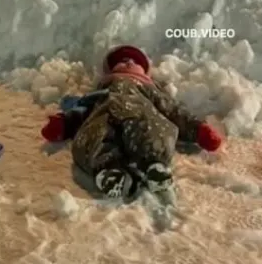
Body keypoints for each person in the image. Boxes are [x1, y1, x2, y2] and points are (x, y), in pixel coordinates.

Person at [41, 45, 223, 199]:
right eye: (122, 61)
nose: (129, 62)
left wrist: (198, 130)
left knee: (154, 130)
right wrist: (63, 123)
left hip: (141, 117)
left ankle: (154, 166)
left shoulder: (150, 91)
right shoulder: (101, 93)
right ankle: (108, 171)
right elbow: (80, 111)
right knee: (91, 135)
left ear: (145, 74)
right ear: (111, 72)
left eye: (135, 62)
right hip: (105, 116)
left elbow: (174, 112)